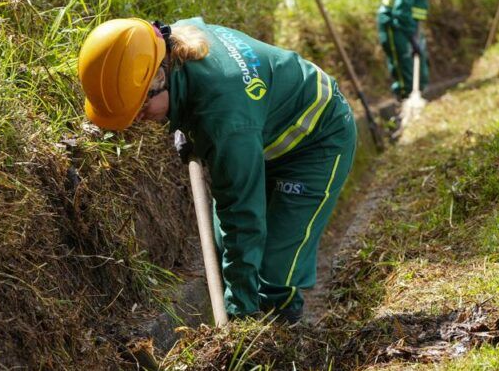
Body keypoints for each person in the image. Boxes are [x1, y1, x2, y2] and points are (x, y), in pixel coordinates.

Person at [77, 17, 356, 323]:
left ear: (160, 78)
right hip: (259, 128)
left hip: (318, 138)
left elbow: (242, 215)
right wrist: (184, 121)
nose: (140, 119)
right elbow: (195, 93)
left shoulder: (224, 119)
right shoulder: (176, 42)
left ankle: (279, 333)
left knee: (274, 266)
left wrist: (241, 314)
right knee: (224, 246)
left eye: (142, 109)